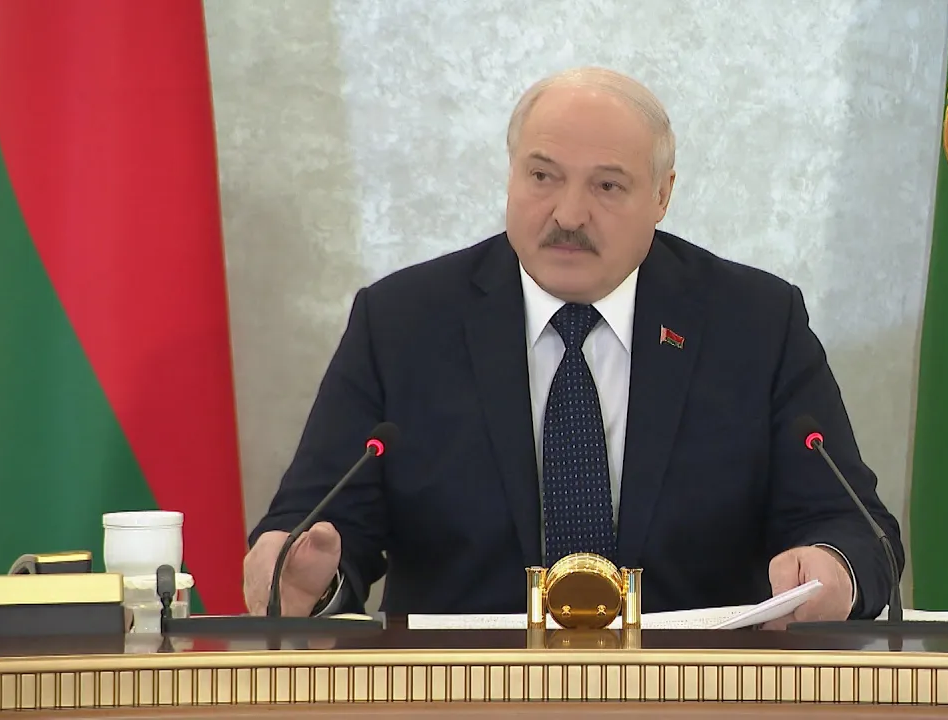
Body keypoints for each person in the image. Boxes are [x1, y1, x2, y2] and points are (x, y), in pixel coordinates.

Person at [243, 66, 903, 623]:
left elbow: (855, 529)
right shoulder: (403, 322)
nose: (567, 214)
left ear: (662, 195)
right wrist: (305, 581)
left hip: (691, 695)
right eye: (542, 177)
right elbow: (323, 528)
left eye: (607, 186)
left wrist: (831, 571)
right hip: (463, 696)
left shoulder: (754, 323)